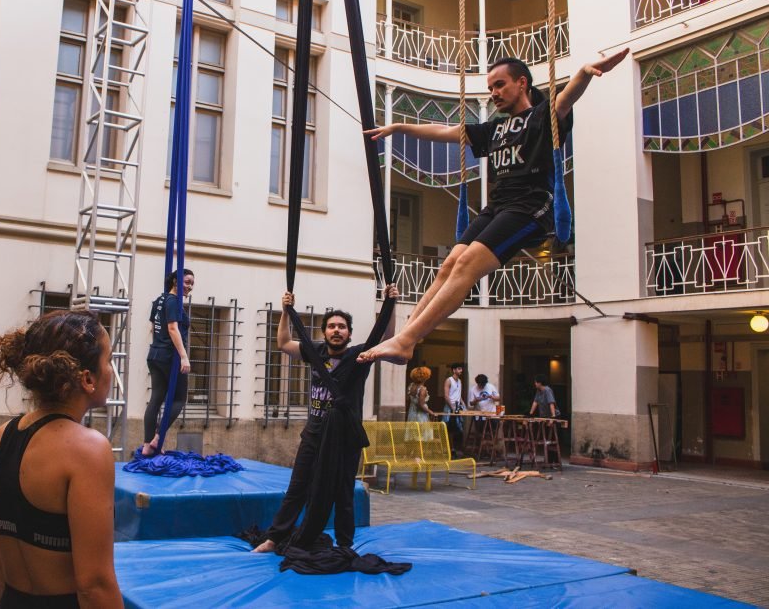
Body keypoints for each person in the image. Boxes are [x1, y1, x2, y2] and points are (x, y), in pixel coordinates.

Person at [358, 50, 631, 365]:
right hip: (498, 204)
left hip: (530, 205)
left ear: (522, 83)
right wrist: (399, 128)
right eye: (490, 88)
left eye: (500, 85)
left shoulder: (541, 117)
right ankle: (405, 337)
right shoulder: (494, 128)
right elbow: (446, 133)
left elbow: (566, 99)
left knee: (466, 265)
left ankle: (405, 341)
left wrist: (583, 72)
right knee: (449, 265)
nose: (494, 94)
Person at [0, 310, 122, 608]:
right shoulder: (88, 450)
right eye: (108, 361)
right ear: (87, 379)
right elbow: (94, 584)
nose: (112, 370)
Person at [253, 285, 398, 554]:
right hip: (315, 432)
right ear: (324, 332)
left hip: (344, 436)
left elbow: (388, 338)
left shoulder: (359, 356)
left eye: (342, 326)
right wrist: (285, 311)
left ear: (349, 333)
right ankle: (274, 538)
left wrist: (391, 305)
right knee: (297, 488)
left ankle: (345, 543)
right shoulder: (315, 352)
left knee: (344, 491)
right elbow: (284, 343)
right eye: (331, 326)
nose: (336, 330)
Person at [141, 269, 194, 456]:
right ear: (175, 281)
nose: (189, 286)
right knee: (179, 399)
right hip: (169, 356)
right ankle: (157, 438)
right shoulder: (173, 301)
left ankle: (148, 445)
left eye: (191, 283)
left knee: (156, 398)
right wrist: (183, 356)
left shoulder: (160, 300)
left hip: (155, 354)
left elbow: (153, 327)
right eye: (186, 282)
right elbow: (172, 328)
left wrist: (159, 344)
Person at [443, 363, 466, 453]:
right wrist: (452, 407)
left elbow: (459, 396)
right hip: (450, 407)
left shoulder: (460, 381)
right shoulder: (449, 380)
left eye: (461, 369)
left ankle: (455, 449)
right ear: (454, 370)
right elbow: (446, 395)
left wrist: (464, 405)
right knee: (449, 429)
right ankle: (449, 449)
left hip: (458, 407)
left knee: (458, 429)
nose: (461, 371)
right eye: (459, 369)